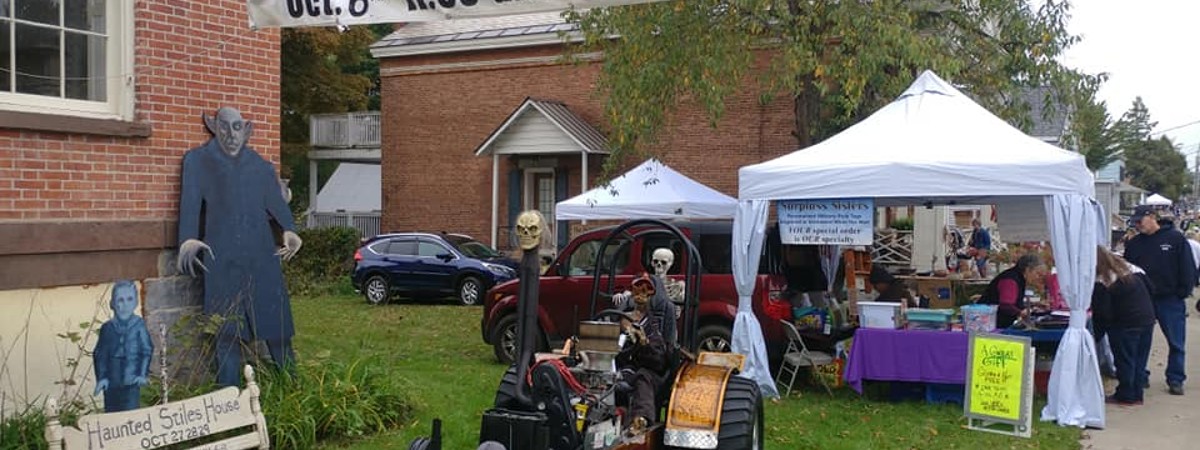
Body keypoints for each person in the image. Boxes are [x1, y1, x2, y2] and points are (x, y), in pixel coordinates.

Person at [177, 107, 303, 387]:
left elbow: (276, 203)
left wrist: (290, 231)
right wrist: (187, 238)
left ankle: (292, 391)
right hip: (223, 259)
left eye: (237, 128)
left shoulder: (260, 166)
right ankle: (228, 402)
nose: (231, 134)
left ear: (246, 130)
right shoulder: (198, 161)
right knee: (227, 332)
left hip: (262, 257)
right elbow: (190, 202)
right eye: (224, 127)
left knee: (278, 328)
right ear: (214, 127)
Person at [1123, 204, 1195, 395]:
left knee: (1176, 341)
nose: (1138, 225)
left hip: (1170, 298)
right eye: (1135, 223)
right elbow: (1127, 270)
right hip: (1143, 299)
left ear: (1152, 217)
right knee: (1141, 340)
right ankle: (1140, 375)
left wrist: (1183, 291)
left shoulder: (1175, 238)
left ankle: (1176, 378)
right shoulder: (1135, 244)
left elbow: (1187, 267)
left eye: (1140, 221)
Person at [1093, 246, 1156, 406]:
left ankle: (1126, 394)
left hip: (1124, 323)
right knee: (1140, 359)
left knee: (1125, 359)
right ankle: (1137, 394)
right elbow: (1152, 288)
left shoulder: (1103, 280)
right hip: (1146, 318)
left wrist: (1097, 335)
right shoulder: (1132, 269)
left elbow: (1103, 312)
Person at [616, 276, 670, 437]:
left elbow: (659, 361)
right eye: (637, 291)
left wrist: (643, 342)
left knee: (642, 377)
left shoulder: (654, 325)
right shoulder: (622, 318)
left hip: (650, 371)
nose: (640, 296)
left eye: (645, 292)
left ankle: (641, 420)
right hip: (624, 369)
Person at [93, 280, 154, 413]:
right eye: (120, 300)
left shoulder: (139, 325)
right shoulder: (107, 328)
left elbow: (146, 351)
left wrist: (142, 374)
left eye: (129, 299)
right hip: (111, 384)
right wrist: (102, 377)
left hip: (131, 383)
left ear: (136, 303)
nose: (125, 305)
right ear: (112, 304)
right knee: (112, 415)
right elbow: (100, 354)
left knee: (131, 415)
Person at [977, 254, 1046, 328]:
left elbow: (1014, 302)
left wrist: (1033, 304)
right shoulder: (1010, 280)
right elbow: (1006, 305)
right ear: (1028, 269)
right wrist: (1020, 313)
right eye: (1037, 274)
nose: (1038, 277)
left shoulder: (1017, 277)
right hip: (988, 324)